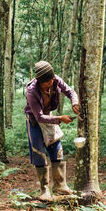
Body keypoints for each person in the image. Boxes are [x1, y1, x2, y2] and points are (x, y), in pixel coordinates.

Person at [24, 61, 80, 201]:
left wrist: (75, 102)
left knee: (57, 148)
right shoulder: (32, 91)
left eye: (52, 80)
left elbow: (70, 91)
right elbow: (39, 116)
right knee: (39, 153)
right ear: (39, 81)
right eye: (47, 82)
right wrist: (60, 118)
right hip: (35, 120)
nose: (51, 83)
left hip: (49, 116)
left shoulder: (55, 80)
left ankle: (60, 185)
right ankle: (44, 190)